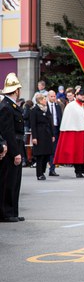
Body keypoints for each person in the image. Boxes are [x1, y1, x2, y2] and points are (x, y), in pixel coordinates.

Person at [54, 89, 84, 178]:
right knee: (78, 152)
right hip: (76, 131)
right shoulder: (71, 106)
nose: (82, 96)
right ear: (77, 95)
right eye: (80, 95)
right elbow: (69, 120)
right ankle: (78, 171)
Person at [0, 73, 25, 222]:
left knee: (15, 181)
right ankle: (6, 213)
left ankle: (13, 211)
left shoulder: (11, 106)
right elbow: (8, 132)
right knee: (8, 181)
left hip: (17, 145)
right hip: (11, 148)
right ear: (16, 91)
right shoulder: (6, 107)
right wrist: (15, 152)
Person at [30, 93, 55, 180]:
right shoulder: (35, 110)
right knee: (40, 155)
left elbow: (50, 122)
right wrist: (34, 137)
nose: (46, 101)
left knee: (47, 154)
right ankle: (39, 174)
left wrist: (52, 134)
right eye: (44, 99)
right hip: (39, 135)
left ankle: (43, 171)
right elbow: (33, 125)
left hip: (47, 134)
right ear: (40, 101)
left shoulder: (46, 109)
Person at [46, 90, 62, 176]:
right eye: (51, 96)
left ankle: (52, 169)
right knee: (47, 150)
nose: (53, 98)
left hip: (56, 129)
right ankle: (41, 169)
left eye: (54, 96)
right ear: (48, 96)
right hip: (47, 131)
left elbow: (60, 117)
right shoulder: (45, 106)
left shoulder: (58, 106)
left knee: (54, 150)